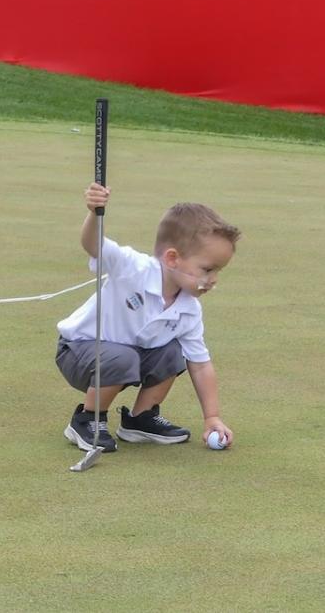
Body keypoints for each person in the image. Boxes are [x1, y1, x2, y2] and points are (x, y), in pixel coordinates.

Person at [56, 183, 239, 453]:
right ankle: (87, 419)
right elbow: (93, 245)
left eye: (218, 271)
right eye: (207, 269)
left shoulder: (188, 308)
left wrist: (212, 417)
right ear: (173, 258)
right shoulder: (133, 267)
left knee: (174, 352)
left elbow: (200, 365)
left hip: (126, 358)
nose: (213, 280)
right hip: (78, 351)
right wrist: (94, 213)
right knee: (123, 357)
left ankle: (140, 419)